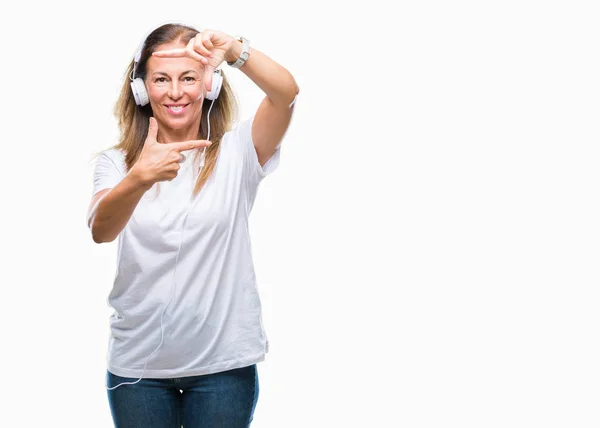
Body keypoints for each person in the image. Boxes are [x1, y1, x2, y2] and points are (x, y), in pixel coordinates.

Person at [87, 21, 298, 428]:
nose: (176, 91)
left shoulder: (239, 151)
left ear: (210, 84)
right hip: (138, 371)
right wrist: (139, 178)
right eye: (161, 79)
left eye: (189, 77)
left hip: (222, 366)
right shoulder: (117, 164)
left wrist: (236, 50)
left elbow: (286, 93)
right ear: (142, 89)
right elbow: (101, 229)